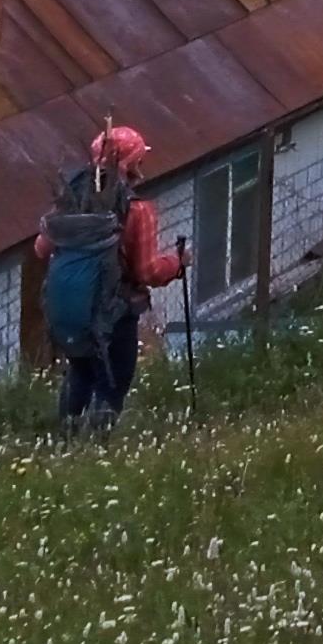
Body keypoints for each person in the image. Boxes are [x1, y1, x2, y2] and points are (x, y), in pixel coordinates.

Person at [35, 122, 187, 430]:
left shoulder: (71, 201)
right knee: (113, 380)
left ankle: (64, 439)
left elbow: (41, 248)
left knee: (80, 371)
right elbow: (147, 271)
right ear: (132, 164)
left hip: (74, 307)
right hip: (117, 310)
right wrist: (178, 263)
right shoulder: (139, 210)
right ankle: (99, 444)